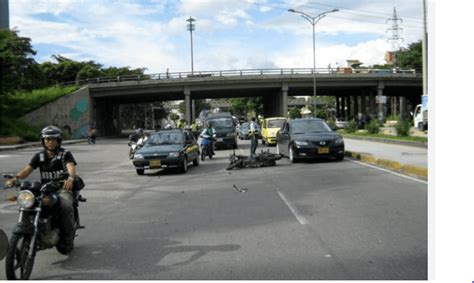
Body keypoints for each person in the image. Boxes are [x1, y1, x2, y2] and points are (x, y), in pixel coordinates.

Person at [5, 125, 77, 254]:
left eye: (53, 139)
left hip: (62, 189)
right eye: (47, 139)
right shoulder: (40, 156)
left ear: (58, 140)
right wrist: (15, 179)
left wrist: (70, 178)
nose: (50, 142)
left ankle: (67, 238)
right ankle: (32, 229)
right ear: (43, 141)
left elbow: (70, 166)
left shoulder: (65, 154)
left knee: (65, 206)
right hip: (45, 190)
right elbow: (27, 169)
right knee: (29, 203)